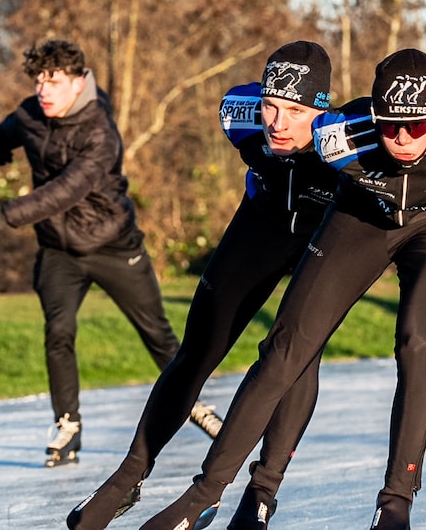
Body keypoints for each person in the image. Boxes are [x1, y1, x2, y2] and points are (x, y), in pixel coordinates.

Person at [137, 48, 426, 530]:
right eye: (389, 125)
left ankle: (395, 503)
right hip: (362, 216)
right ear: (374, 116)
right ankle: (204, 496)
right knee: (283, 348)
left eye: (418, 126)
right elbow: (285, 149)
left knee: (418, 345)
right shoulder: (337, 136)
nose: (403, 138)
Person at [65, 41, 337, 530]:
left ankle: (260, 494)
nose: (277, 122)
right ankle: (128, 477)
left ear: (322, 110)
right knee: (197, 348)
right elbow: (248, 105)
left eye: (295, 111)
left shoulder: (348, 140)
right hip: (264, 221)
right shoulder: (241, 116)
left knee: (295, 355)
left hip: (326, 235)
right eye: (271, 106)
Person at [0, 38, 201, 468]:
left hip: (113, 244)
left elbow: (65, 191)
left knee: (158, 335)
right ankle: (67, 424)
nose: (43, 90)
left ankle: (194, 403)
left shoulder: (100, 133)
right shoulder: (29, 114)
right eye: (38, 81)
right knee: (58, 331)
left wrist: (2, 216)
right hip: (59, 250)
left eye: (53, 81)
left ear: (78, 83)